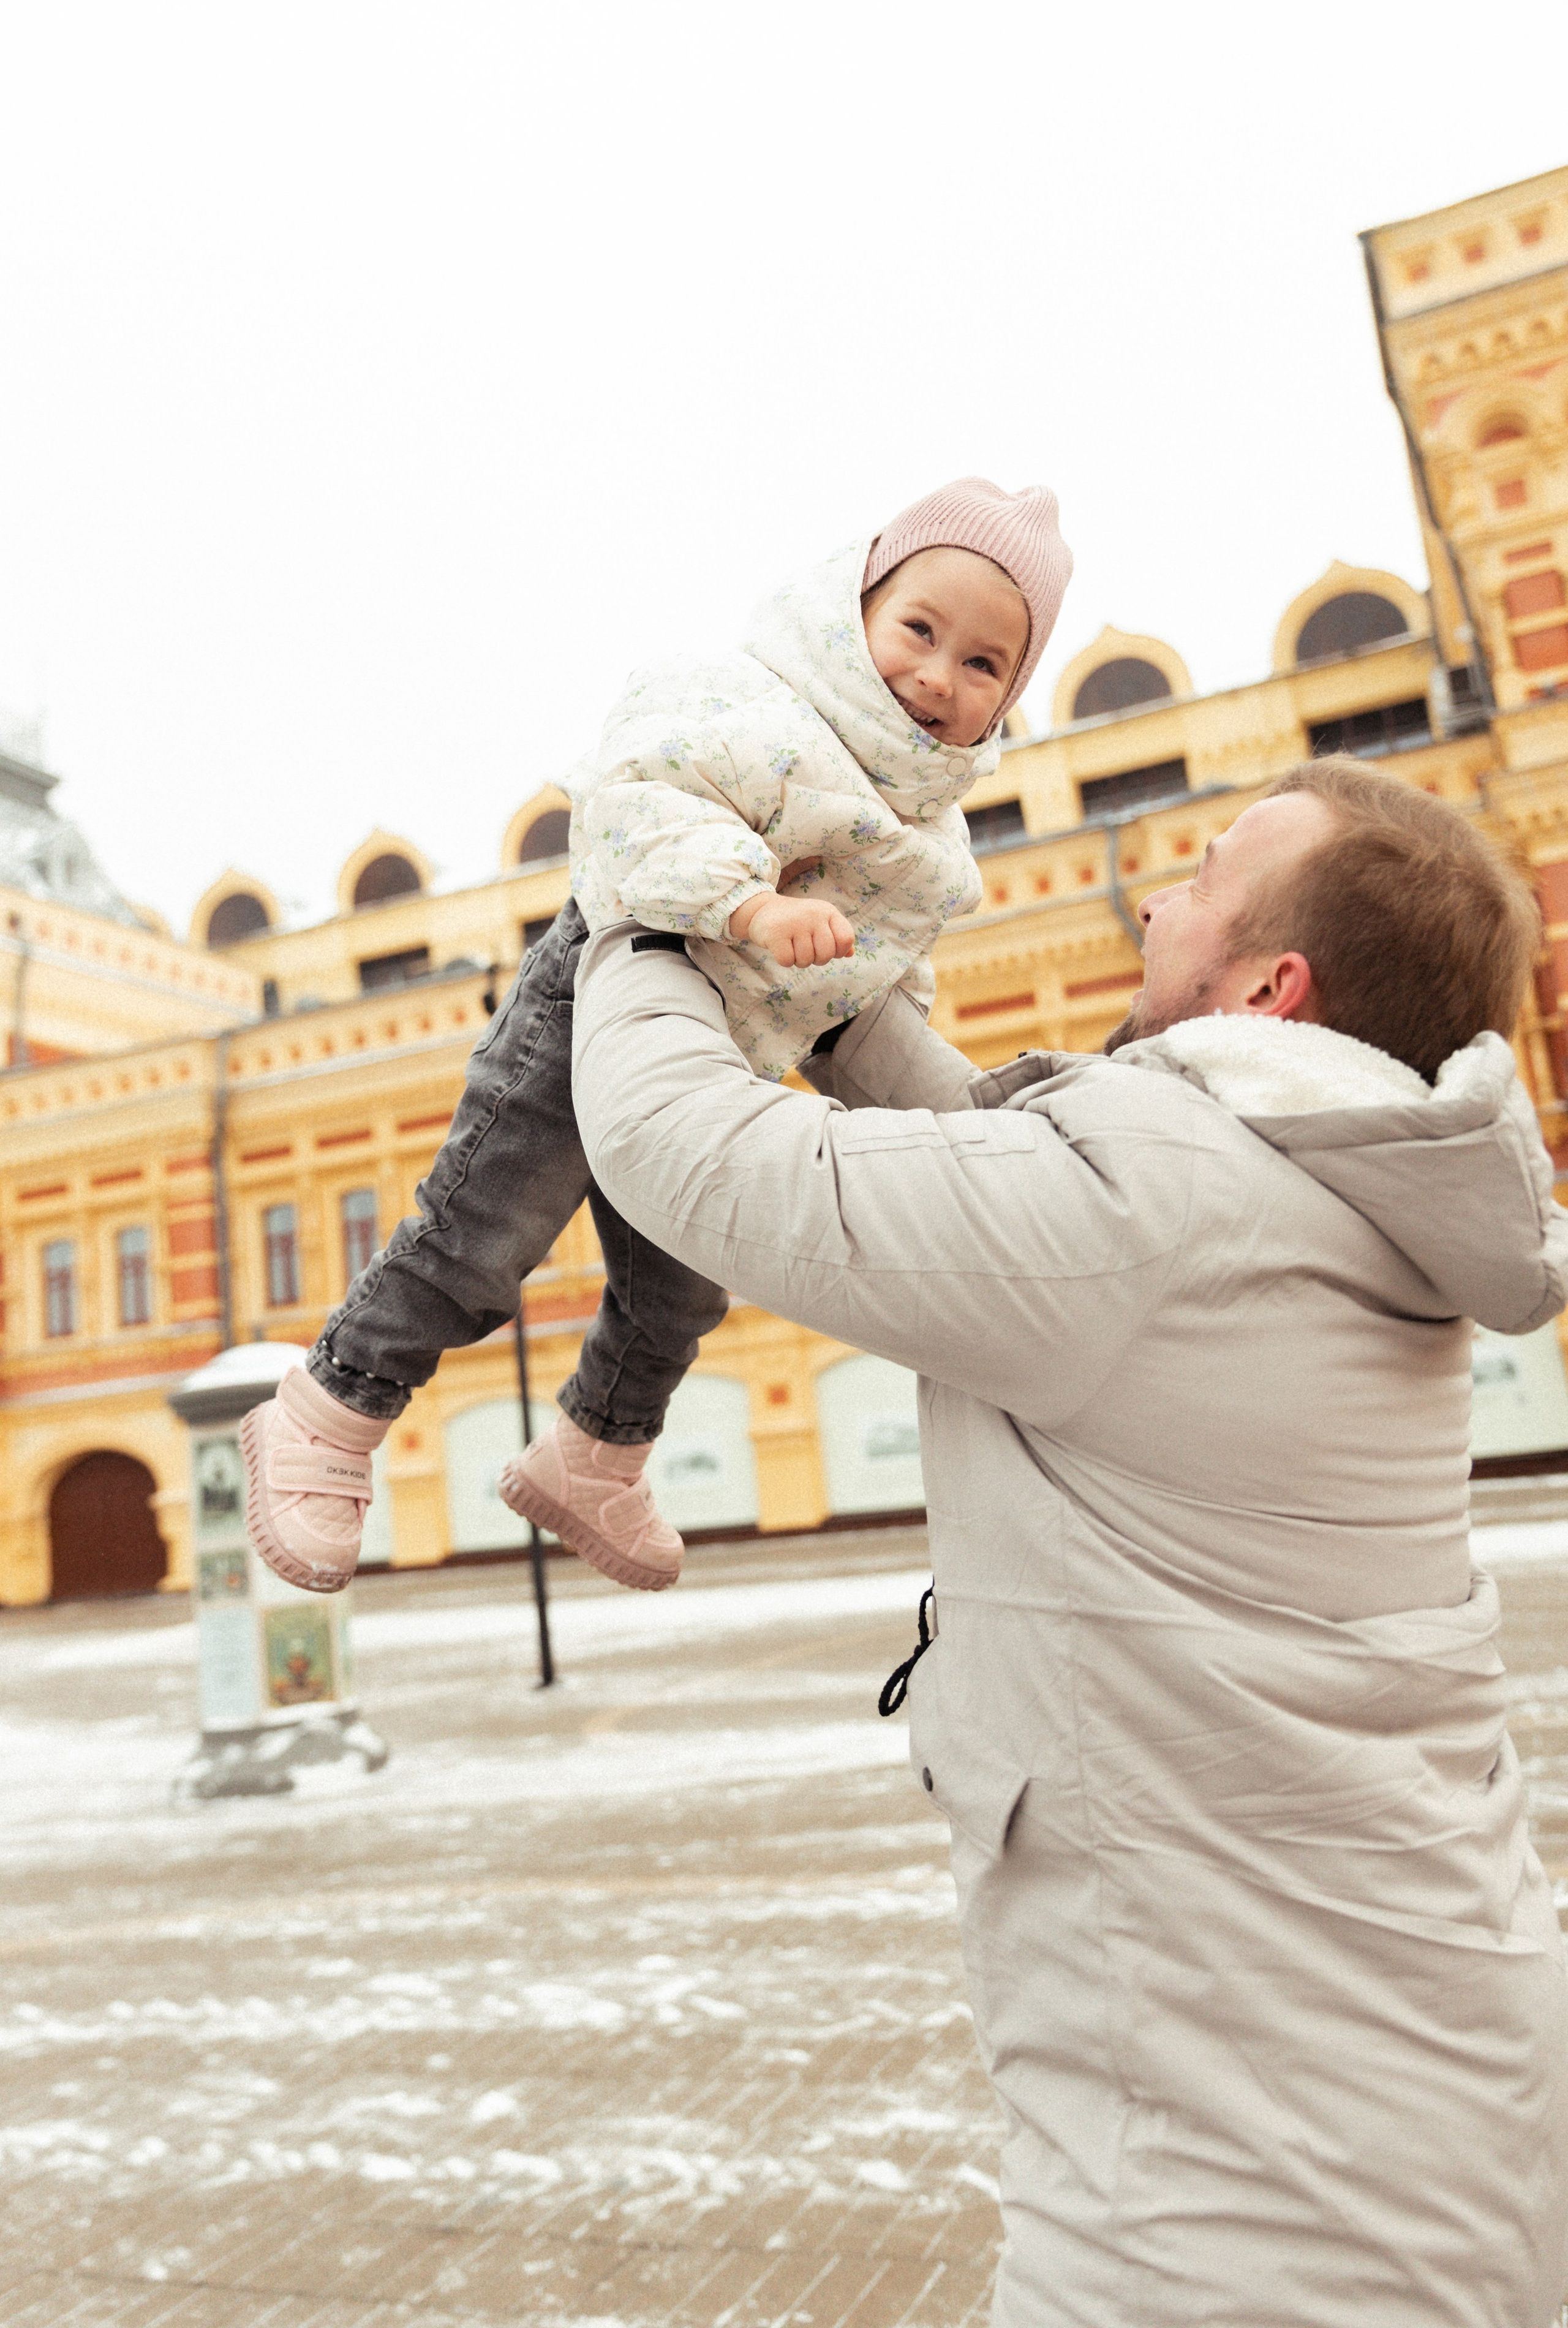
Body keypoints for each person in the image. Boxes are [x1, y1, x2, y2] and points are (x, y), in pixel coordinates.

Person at [565, 758, 1568, 2326]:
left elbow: (681, 1149)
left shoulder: (1155, 1214)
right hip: (1419, 2102)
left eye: (1207, 874)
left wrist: (642, 914)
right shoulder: (1317, 1197)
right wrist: (835, 987)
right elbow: (999, 1173)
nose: (1156, 891)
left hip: (1246, 2210)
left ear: (1266, 983)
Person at [239, 478, 1072, 1595]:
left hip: (710, 1063)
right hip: (597, 991)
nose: (938, 675)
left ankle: (597, 1453)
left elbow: (871, 973)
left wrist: (919, 1083)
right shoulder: (748, 702)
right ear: (853, 608)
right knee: (489, 1232)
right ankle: (328, 1410)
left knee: (686, 1283)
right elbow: (642, 801)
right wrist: (751, 907)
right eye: (920, 629)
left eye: (985, 666)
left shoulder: (924, 827)